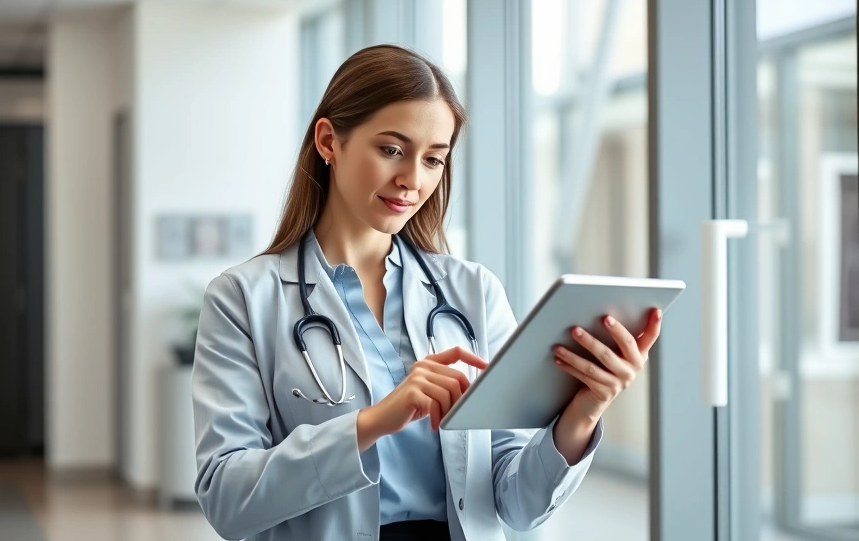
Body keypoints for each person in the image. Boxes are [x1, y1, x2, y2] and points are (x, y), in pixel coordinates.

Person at [191, 44, 663, 541]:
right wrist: (371, 423)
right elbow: (227, 498)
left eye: (434, 159)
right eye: (391, 150)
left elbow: (518, 503)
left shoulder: (472, 292)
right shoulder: (241, 299)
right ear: (329, 141)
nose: (412, 180)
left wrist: (583, 412)